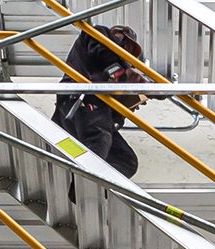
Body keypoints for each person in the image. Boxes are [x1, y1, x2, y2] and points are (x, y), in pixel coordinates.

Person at [50, 22, 144, 176]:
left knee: (126, 161)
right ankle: (84, 191)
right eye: (126, 44)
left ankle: (81, 191)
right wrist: (122, 73)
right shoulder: (98, 34)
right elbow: (102, 54)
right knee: (98, 140)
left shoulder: (114, 73)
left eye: (130, 52)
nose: (127, 52)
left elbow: (110, 84)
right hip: (81, 100)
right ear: (116, 33)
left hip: (87, 113)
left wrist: (127, 101)